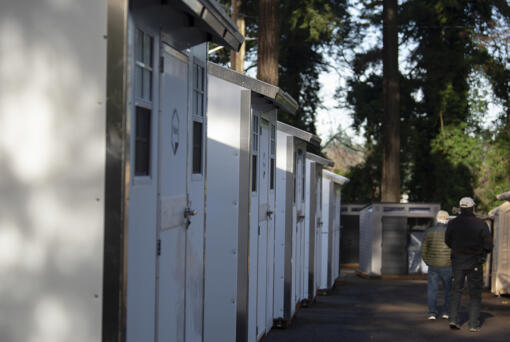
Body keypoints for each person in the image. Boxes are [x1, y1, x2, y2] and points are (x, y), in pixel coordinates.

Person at [445, 197, 493, 332]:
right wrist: (483, 252)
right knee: (475, 293)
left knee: (456, 291)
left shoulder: (452, 223)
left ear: (460, 208)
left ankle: (453, 319)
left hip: (457, 261)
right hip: (475, 262)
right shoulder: (480, 223)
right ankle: (473, 324)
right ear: (473, 208)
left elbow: (447, 240)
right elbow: (488, 244)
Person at [421, 210, 452, 321]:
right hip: (448, 265)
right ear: (447, 219)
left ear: (437, 218)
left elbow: (424, 249)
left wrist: (427, 261)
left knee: (432, 289)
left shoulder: (429, 231)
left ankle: (432, 313)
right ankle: (446, 312)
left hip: (433, 265)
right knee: (448, 290)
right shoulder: (451, 232)